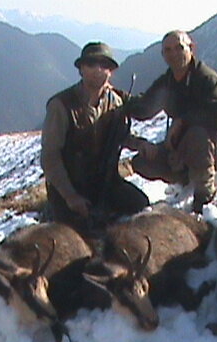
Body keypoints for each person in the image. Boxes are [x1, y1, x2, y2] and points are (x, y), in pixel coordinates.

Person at [125, 30, 217, 213]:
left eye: (179, 48)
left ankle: (205, 198)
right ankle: (186, 175)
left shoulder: (206, 79)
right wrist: (117, 97)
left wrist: (183, 120)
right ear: (163, 55)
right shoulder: (167, 82)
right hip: (183, 145)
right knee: (143, 161)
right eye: (168, 50)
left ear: (191, 48)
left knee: (198, 135)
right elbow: (143, 108)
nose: (174, 54)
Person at [41, 41, 149, 229]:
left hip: (104, 183)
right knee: (78, 235)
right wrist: (70, 196)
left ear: (111, 72)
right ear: (81, 69)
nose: (97, 70)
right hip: (71, 189)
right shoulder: (60, 105)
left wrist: (141, 145)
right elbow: (50, 157)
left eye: (104, 65)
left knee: (140, 206)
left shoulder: (115, 102)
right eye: (91, 64)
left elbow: (121, 135)